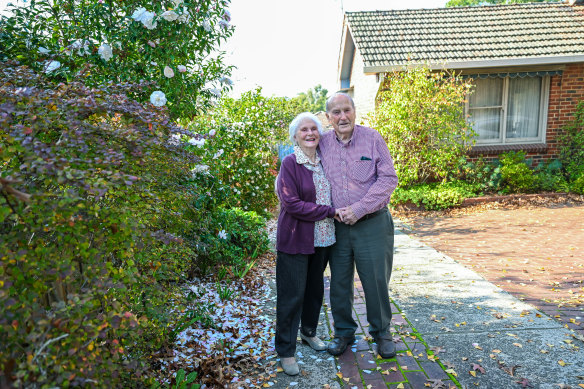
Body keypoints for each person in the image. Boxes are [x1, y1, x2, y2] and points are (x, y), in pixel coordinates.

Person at [318, 92, 399, 358]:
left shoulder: (372, 139)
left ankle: (382, 332)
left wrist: (359, 209)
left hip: (372, 224)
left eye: (346, 110)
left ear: (354, 111)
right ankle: (343, 333)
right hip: (337, 227)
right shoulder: (323, 143)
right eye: (336, 112)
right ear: (328, 118)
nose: (342, 116)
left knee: (375, 281)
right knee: (339, 282)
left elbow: (388, 179)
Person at [275, 112, 341, 375]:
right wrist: (328, 211)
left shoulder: (327, 162)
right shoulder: (290, 163)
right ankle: (285, 350)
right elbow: (291, 203)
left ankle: (309, 333)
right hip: (295, 239)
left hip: (323, 239)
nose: (310, 133)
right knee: (292, 295)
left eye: (314, 129)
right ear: (295, 136)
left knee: (314, 291)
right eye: (304, 130)